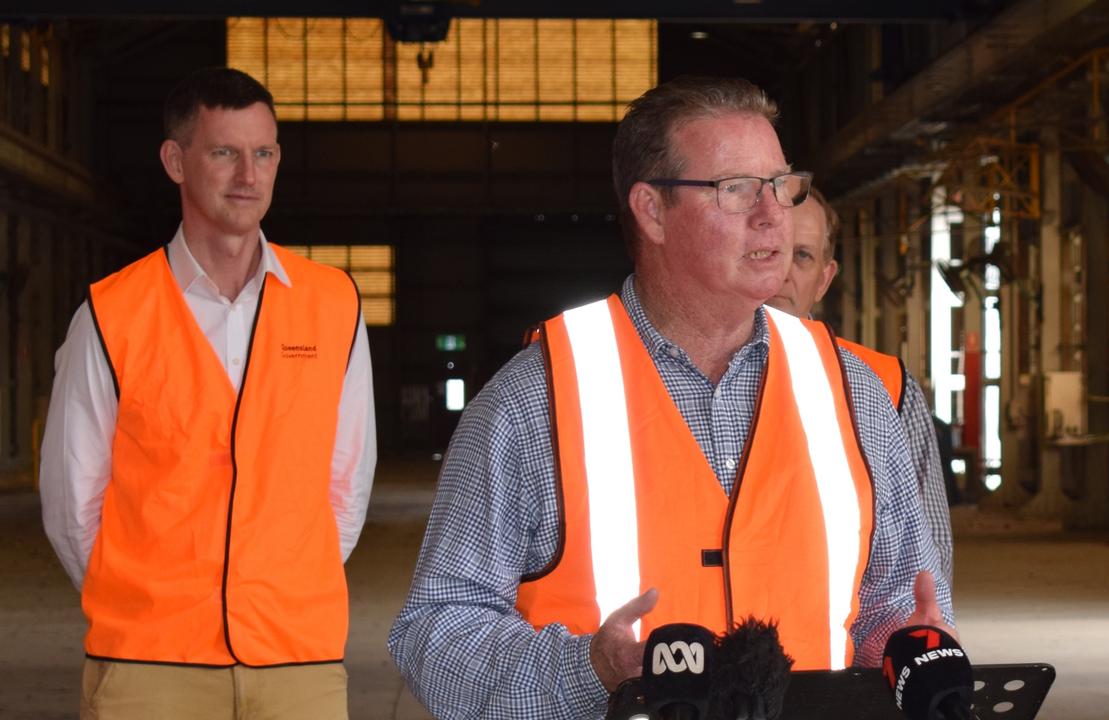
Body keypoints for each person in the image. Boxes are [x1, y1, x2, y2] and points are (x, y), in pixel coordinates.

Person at [388, 76, 951, 719]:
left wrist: (912, 642)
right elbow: (436, 632)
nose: (773, 214)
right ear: (652, 211)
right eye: (736, 189)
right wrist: (590, 670)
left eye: (780, 185)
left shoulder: (853, 393)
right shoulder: (532, 402)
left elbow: (897, 601)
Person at [40, 67, 376, 720]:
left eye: (264, 153)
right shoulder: (110, 315)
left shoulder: (334, 305)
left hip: (296, 666)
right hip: (150, 672)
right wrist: (150, 609)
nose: (248, 176)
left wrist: (270, 594)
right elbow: (70, 504)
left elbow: (347, 482)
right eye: (224, 153)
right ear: (176, 160)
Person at [767, 187, 955, 584]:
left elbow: (926, 556)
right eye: (769, 251)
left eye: (802, 256)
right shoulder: (685, 373)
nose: (782, 271)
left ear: (824, 278)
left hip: (850, 642)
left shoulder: (887, 385)